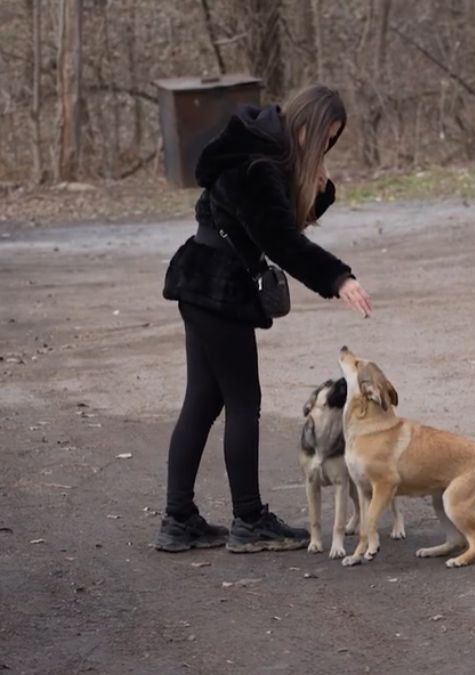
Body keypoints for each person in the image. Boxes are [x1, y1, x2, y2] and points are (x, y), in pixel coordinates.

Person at [157, 84, 372, 553]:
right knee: (241, 402)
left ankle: (179, 520)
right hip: (219, 288)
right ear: (308, 127)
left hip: (202, 280)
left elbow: (275, 223)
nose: (326, 147)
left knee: (203, 401)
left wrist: (320, 192)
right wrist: (338, 278)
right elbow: (281, 241)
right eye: (327, 137)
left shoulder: (259, 150)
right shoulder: (256, 164)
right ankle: (249, 519)